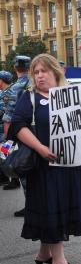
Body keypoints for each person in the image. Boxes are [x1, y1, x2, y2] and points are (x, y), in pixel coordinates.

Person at [8, 53, 81, 264]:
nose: (39, 76)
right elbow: (18, 125)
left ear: (55, 72)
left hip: (72, 166)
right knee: (53, 207)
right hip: (45, 168)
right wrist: (40, 148)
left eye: (43, 71)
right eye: (35, 72)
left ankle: (44, 254)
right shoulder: (29, 98)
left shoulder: (71, 95)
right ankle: (59, 262)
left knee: (59, 206)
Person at [2, 56, 32, 192]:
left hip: (19, 133)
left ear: (15, 67)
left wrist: (8, 140)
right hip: (37, 131)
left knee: (21, 163)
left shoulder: (15, 87)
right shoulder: (36, 82)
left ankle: (30, 204)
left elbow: (8, 117)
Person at [0, 70, 13, 186]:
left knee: (5, 154)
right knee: (4, 154)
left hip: (6, 131)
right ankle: (6, 178)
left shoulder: (8, 94)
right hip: (3, 131)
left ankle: (13, 179)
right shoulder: (3, 93)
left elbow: (6, 113)